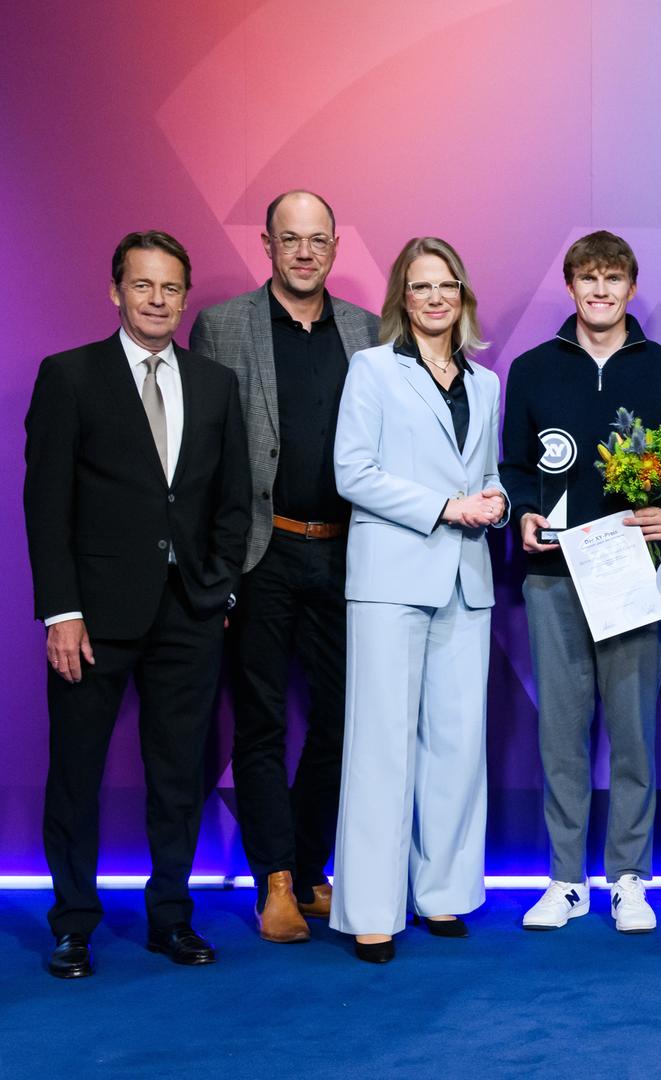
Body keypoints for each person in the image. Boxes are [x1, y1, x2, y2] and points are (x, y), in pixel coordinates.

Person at [25, 230, 250, 978]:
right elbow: (45, 504)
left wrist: (219, 587)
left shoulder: (216, 384)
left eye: (171, 288)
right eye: (143, 285)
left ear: (187, 298)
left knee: (178, 775)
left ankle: (170, 918)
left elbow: (231, 501)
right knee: (76, 773)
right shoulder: (70, 376)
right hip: (91, 619)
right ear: (116, 290)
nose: (158, 300)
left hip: (189, 613)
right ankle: (73, 923)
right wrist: (61, 611)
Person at [188, 190, 380, 943]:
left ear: (336, 248)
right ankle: (275, 879)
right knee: (262, 720)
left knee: (340, 722)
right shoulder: (223, 325)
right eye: (290, 239)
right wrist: (216, 568)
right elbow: (202, 458)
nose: (305, 252)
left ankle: (308, 867)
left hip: (346, 553)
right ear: (267, 245)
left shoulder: (366, 331)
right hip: (260, 555)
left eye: (319, 240)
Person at [500, 231, 661, 933]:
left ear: (631, 288)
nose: (601, 290)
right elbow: (516, 468)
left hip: (633, 578)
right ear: (571, 286)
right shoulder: (531, 369)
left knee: (634, 731)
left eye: (614, 278)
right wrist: (522, 512)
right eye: (589, 278)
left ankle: (629, 879)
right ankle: (564, 879)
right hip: (554, 576)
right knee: (561, 733)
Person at [329, 237, 507, 964]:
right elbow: (352, 471)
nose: (435, 298)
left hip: (466, 578)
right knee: (380, 744)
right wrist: (443, 506)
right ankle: (372, 909)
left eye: (447, 286)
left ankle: (444, 895)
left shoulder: (486, 382)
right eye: (420, 286)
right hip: (391, 577)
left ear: (463, 296)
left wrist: (494, 502)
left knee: (459, 746)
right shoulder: (372, 370)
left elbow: (487, 472)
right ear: (402, 298)